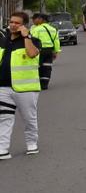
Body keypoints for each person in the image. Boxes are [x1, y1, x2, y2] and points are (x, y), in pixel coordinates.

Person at [0, 10, 43, 158]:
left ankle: (32, 144)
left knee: (29, 118)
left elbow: (31, 53)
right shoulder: (3, 40)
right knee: (4, 118)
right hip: (3, 87)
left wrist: (26, 36)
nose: (13, 25)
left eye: (17, 23)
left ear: (24, 25)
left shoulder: (33, 40)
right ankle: (3, 148)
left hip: (25, 88)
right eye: (11, 22)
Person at [30, 12, 61, 90]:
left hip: (39, 51)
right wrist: (56, 51)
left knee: (38, 67)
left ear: (41, 19)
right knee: (47, 67)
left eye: (35, 19)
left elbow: (33, 41)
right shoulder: (53, 29)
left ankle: (38, 83)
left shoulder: (36, 29)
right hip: (49, 51)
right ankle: (45, 84)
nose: (34, 21)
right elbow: (56, 41)